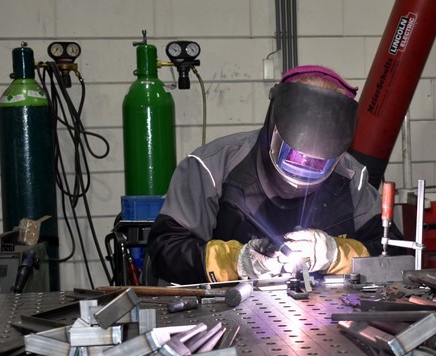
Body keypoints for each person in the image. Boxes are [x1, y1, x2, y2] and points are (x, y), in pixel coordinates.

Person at [146, 65, 403, 284]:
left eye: (318, 163)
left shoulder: (351, 176)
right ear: (275, 129)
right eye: (295, 157)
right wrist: (236, 261)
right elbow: (165, 252)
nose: (304, 168)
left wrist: (335, 254)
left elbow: (394, 255)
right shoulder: (212, 165)